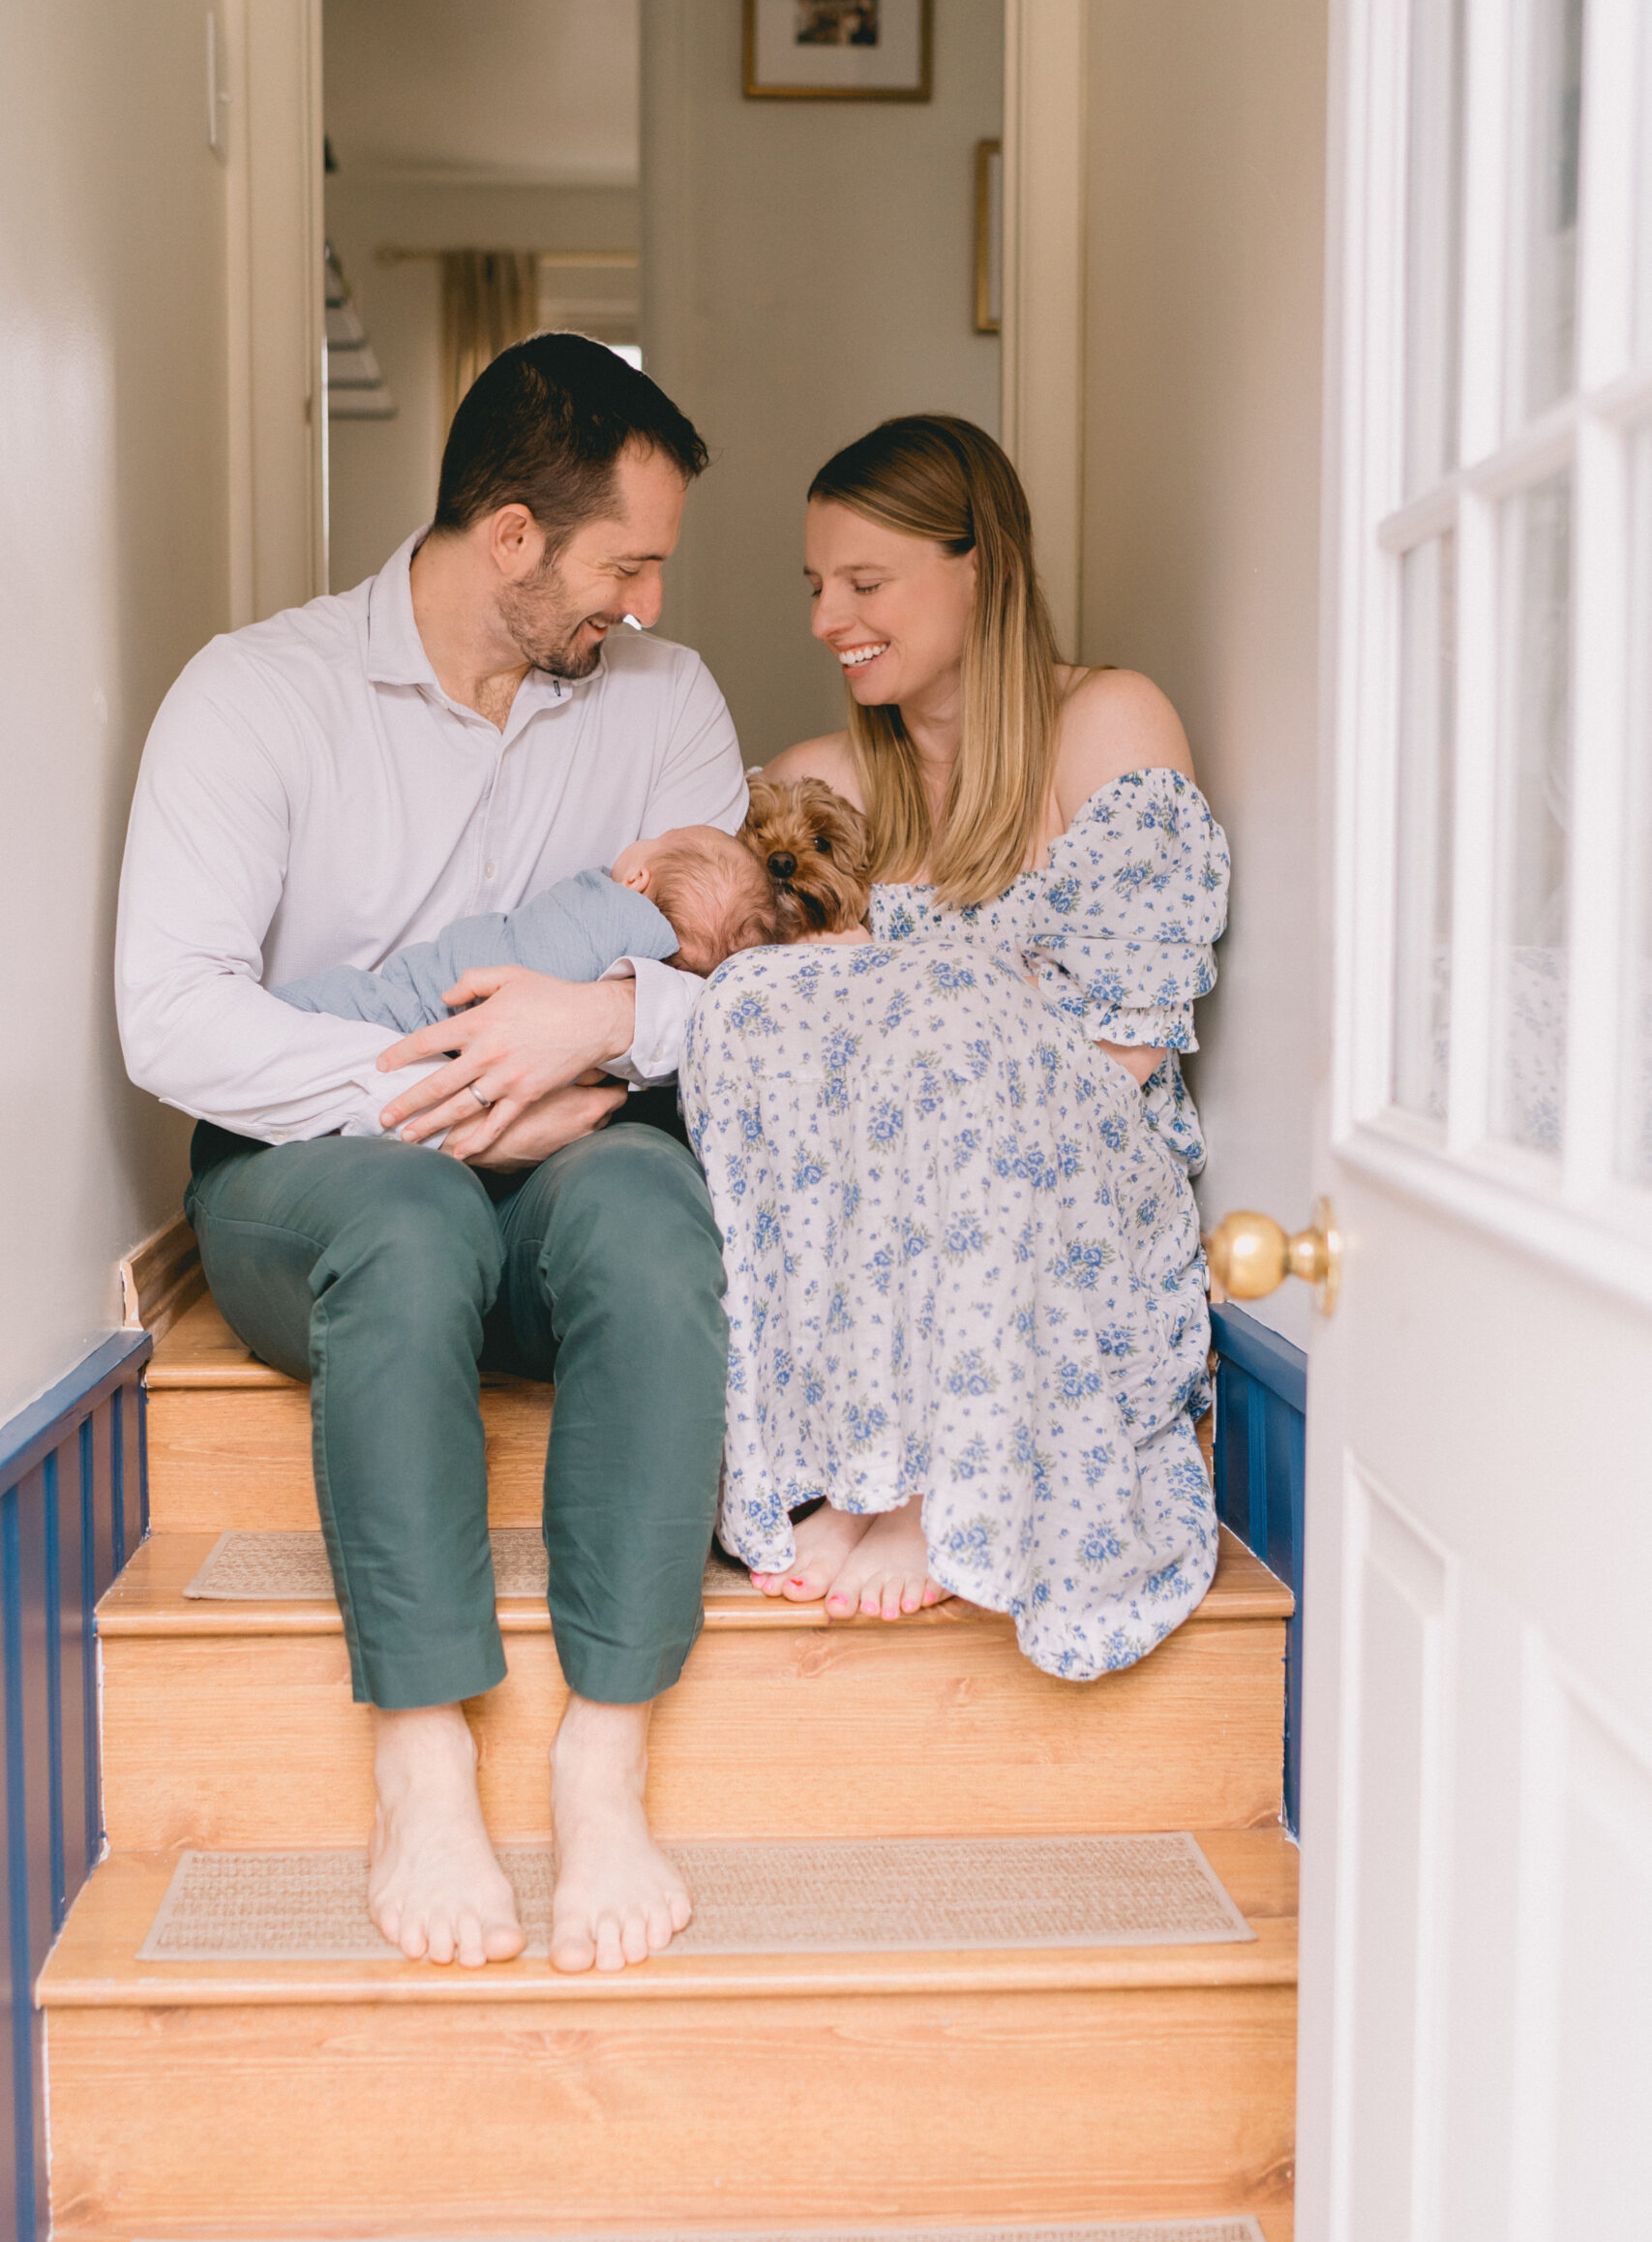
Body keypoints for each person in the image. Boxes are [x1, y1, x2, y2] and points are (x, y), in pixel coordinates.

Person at [116, 333, 747, 1973]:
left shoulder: (667, 705)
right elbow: (172, 1021)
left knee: (653, 1215)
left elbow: (727, 986)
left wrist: (587, 1032)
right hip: (309, 1179)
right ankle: (420, 1747)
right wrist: (451, 1089)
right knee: (408, 1217)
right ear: (515, 541)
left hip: (576, 1136)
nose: (651, 606)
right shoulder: (257, 694)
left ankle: (603, 1754)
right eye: (627, 563)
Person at [682, 414, 1231, 1677]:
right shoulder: (817, 787)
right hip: (870, 1214)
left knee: (941, 1035)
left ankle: (941, 1490)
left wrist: (911, 1014)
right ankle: (849, 1471)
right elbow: (754, 1050)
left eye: (863, 582)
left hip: (1060, 1191)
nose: (828, 618)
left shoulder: (1105, 723)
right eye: (815, 585)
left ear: (979, 568)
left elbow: (1115, 1056)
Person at [273, 826, 777, 1056]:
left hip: (423, 998)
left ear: (637, 880)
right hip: (437, 1016)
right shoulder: (645, 970)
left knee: (323, 1010)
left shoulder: (602, 907)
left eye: (662, 837)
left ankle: (261, 1018)